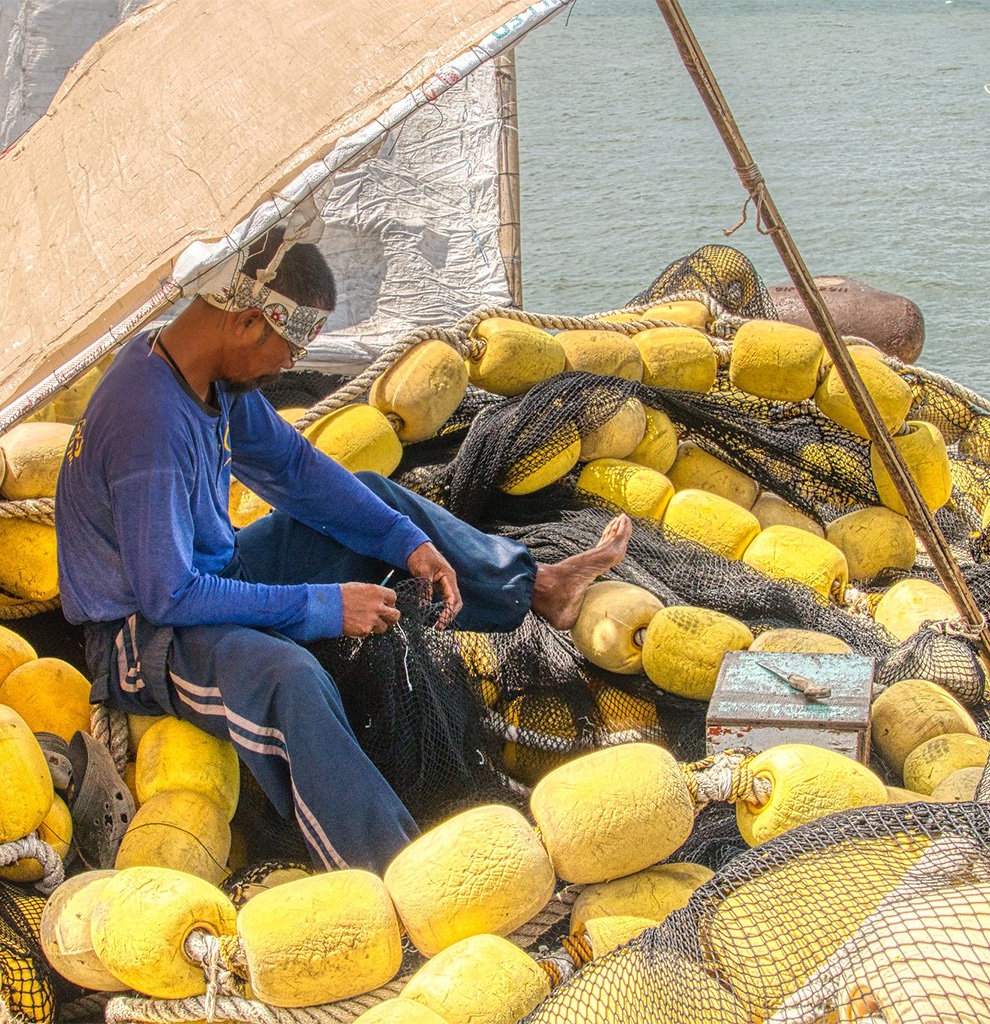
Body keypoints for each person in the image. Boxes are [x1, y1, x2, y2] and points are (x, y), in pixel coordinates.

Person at [55, 229, 631, 872]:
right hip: (146, 634)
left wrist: (408, 544)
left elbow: (297, 472)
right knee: (289, 678)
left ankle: (533, 589)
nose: (287, 367)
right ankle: (393, 878)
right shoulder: (148, 425)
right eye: (290, 348)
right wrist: (326, 607)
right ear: (248, 323)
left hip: (212, 574)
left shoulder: (201, 376)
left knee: (375, 500)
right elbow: (171, 593)